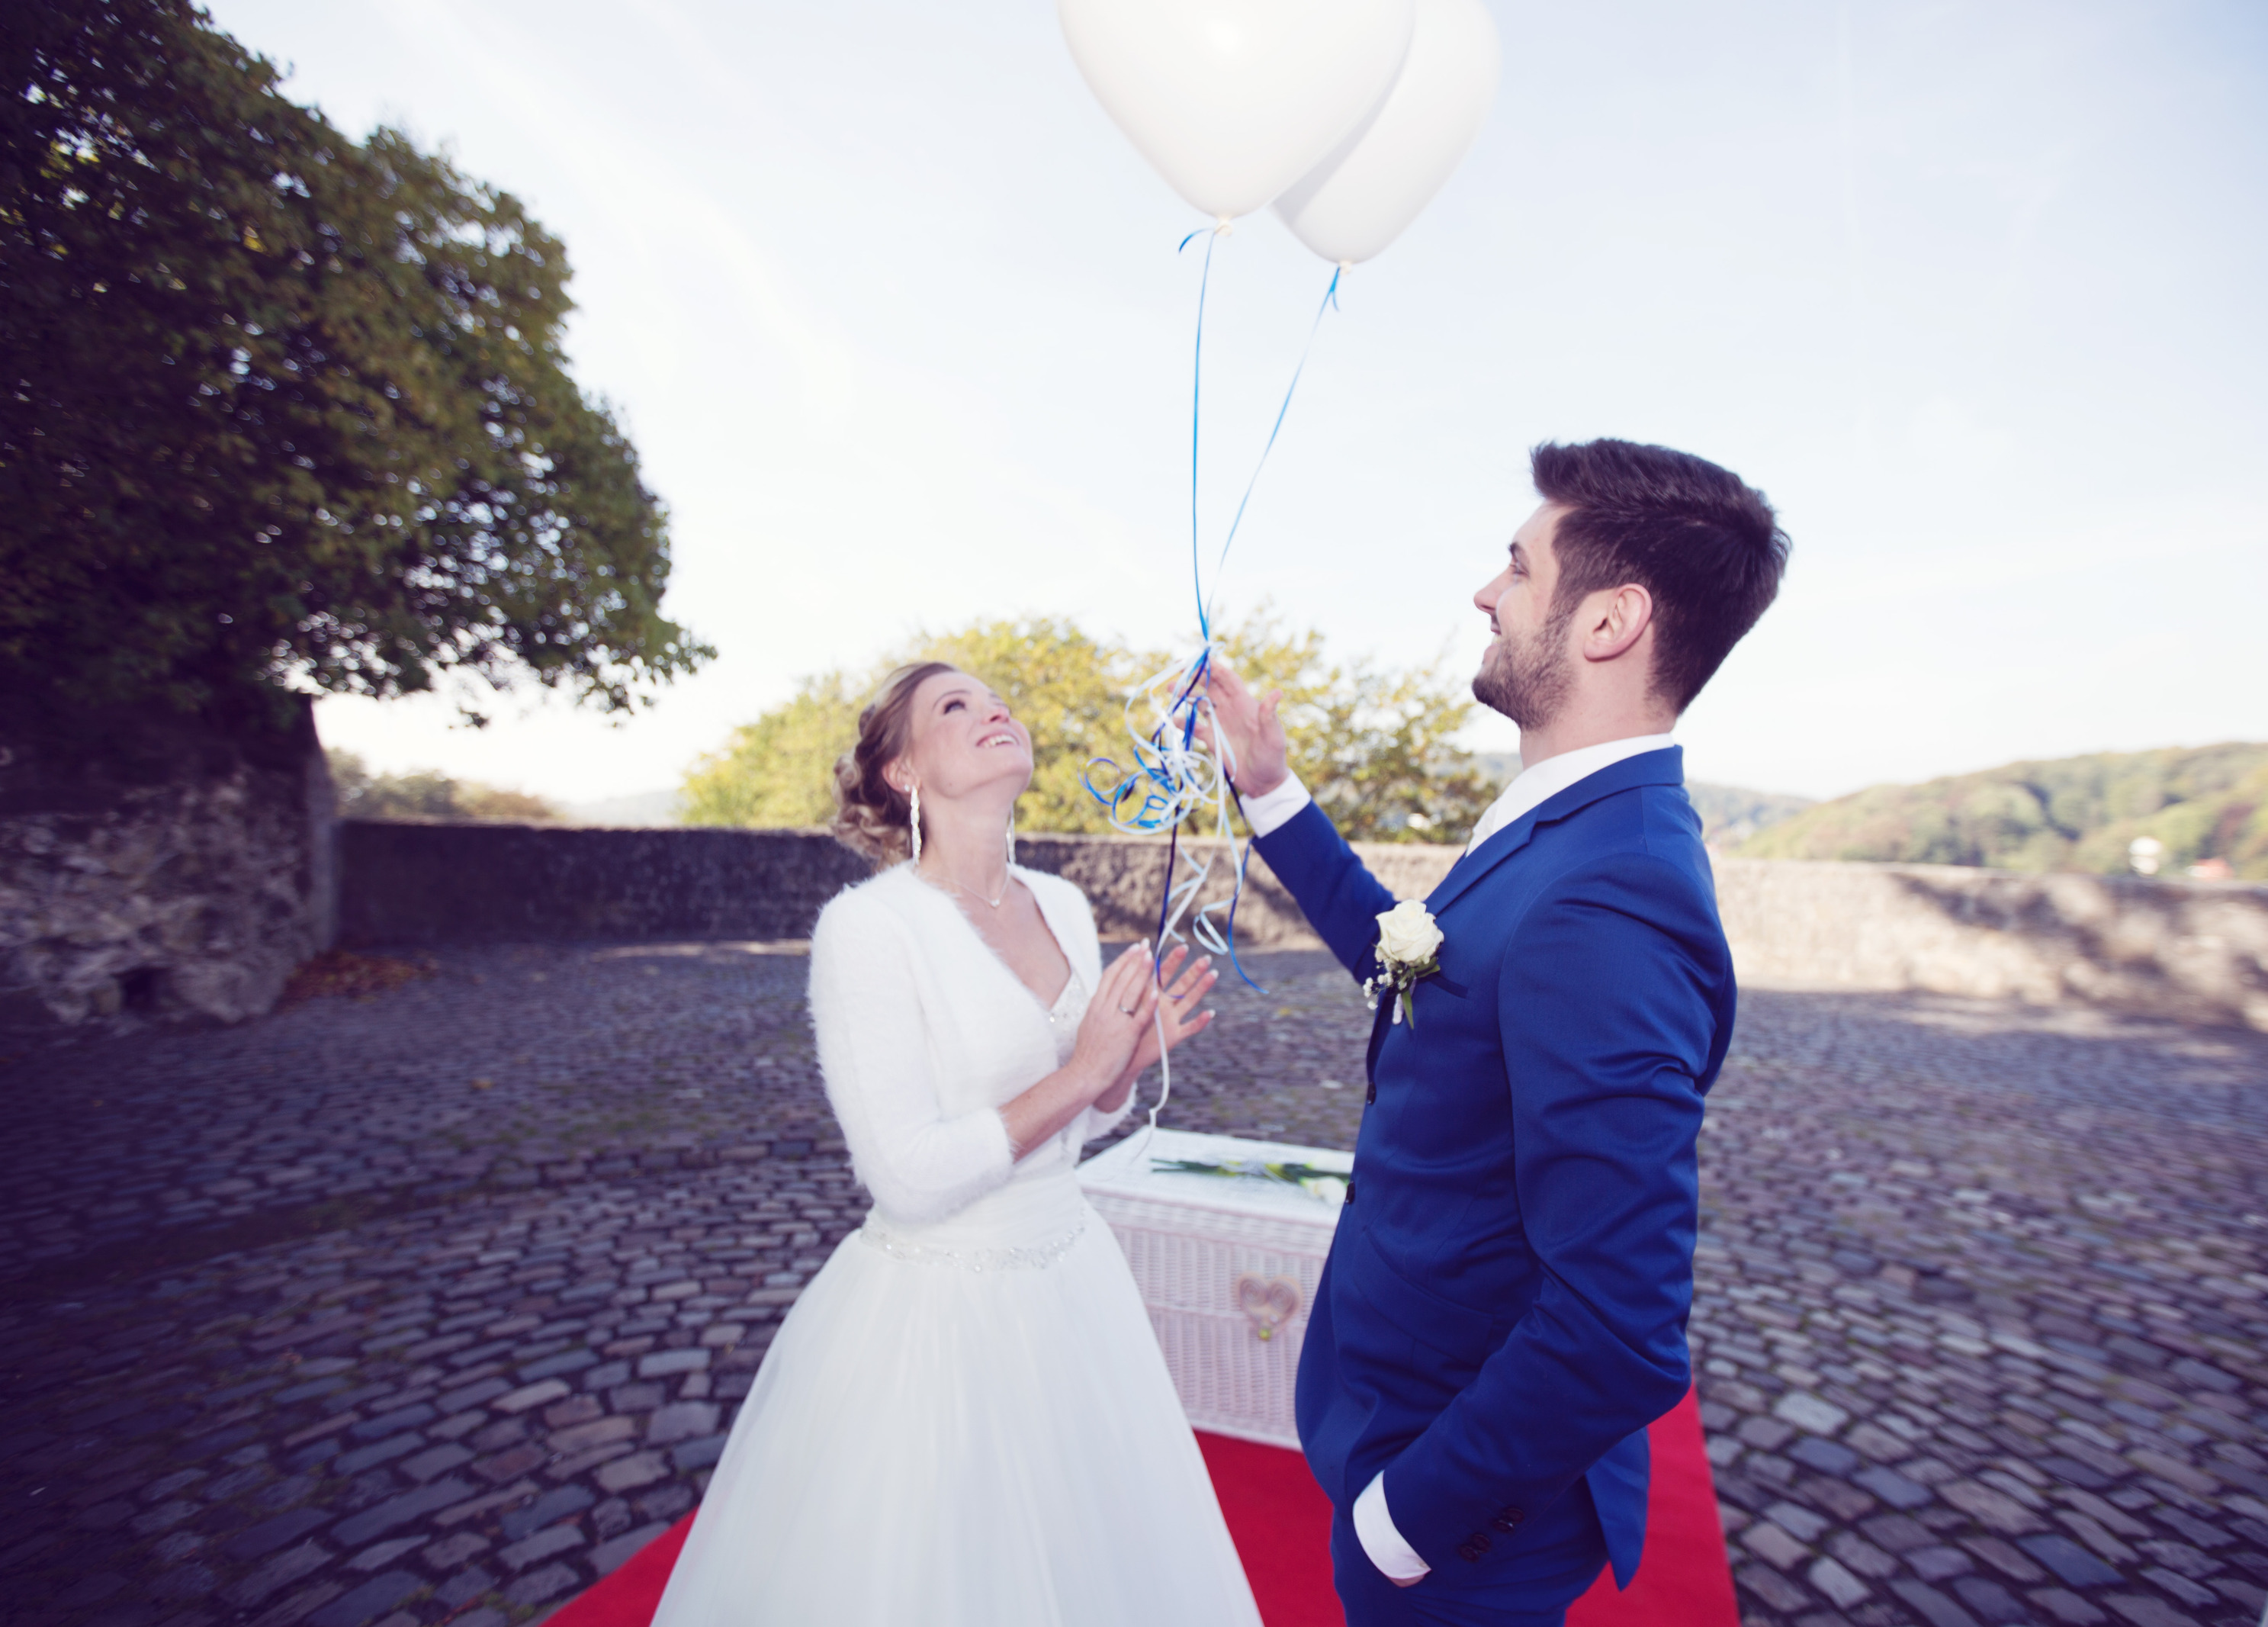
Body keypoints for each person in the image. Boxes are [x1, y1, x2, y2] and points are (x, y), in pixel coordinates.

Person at [1201, 438, 1790, 1626]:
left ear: (1610, 622)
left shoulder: (1610, 890)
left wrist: (1402, 1523)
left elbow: (1622, 1325)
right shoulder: (1566, 830)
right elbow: (1418, 965)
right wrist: (1269, 790)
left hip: (1461, 1521)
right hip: (1402, 1424)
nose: (1485, 590)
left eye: (1517, 567)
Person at [651, 662, 1262, 1627]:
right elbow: (906, 1174)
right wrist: (1082, 1068)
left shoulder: (1060, 904)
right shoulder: (866, 929)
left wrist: (1123, 1064)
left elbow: (1083, 1124)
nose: (994, 710)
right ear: (902, 773)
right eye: (955, 706)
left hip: (1072, 1282)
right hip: (938, 1310)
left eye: (996, 700)